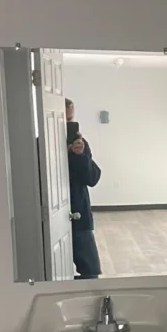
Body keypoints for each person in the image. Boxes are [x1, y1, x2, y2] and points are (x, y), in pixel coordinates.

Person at [65, 98, 102, 279]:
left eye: (70, 121)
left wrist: (79, 155)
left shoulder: (80, 144)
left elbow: (92, 178)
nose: (67, 125)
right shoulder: (41, 145)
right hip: (51, 217)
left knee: (91, 271)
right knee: (54, 271)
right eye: (64, 120)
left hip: (79, 214)